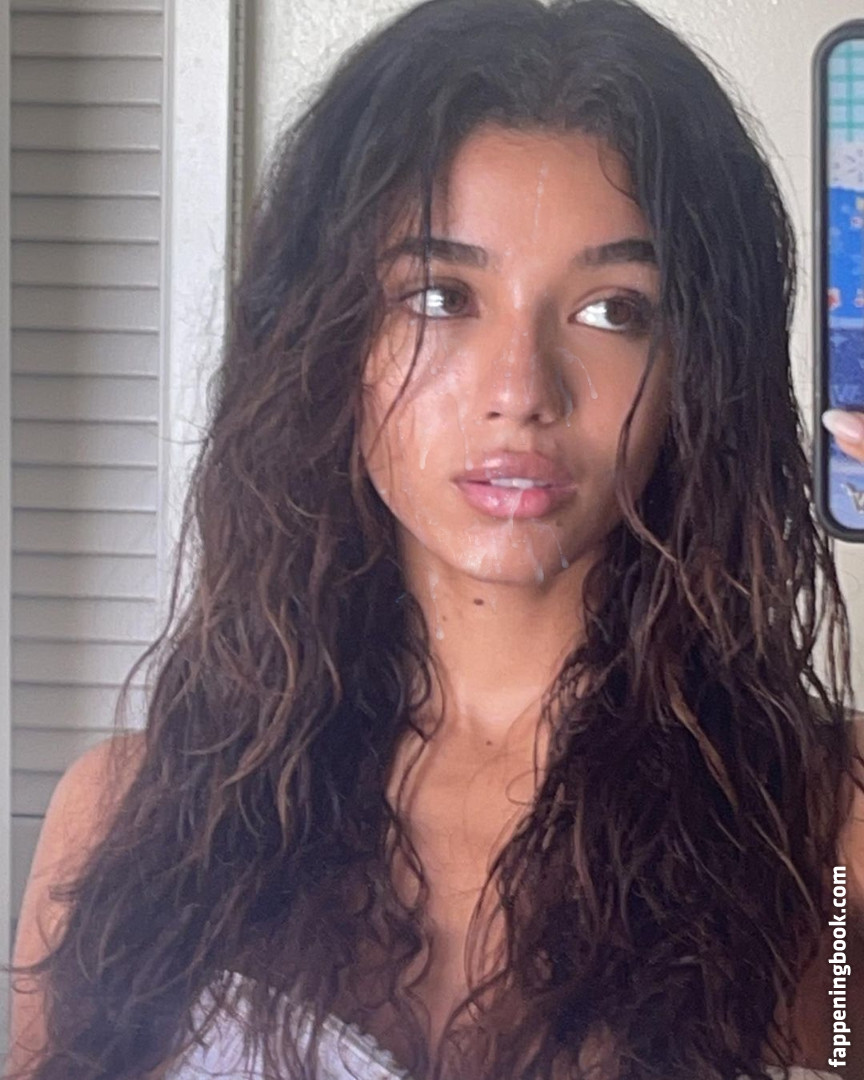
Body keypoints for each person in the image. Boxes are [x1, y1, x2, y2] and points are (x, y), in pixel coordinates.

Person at [5, 0, 864, 1078]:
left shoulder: (833, 830)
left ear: (703, 366)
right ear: (327, 338)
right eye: (440, 295)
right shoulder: (120, 817)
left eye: (615, 310)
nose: (522, 390)